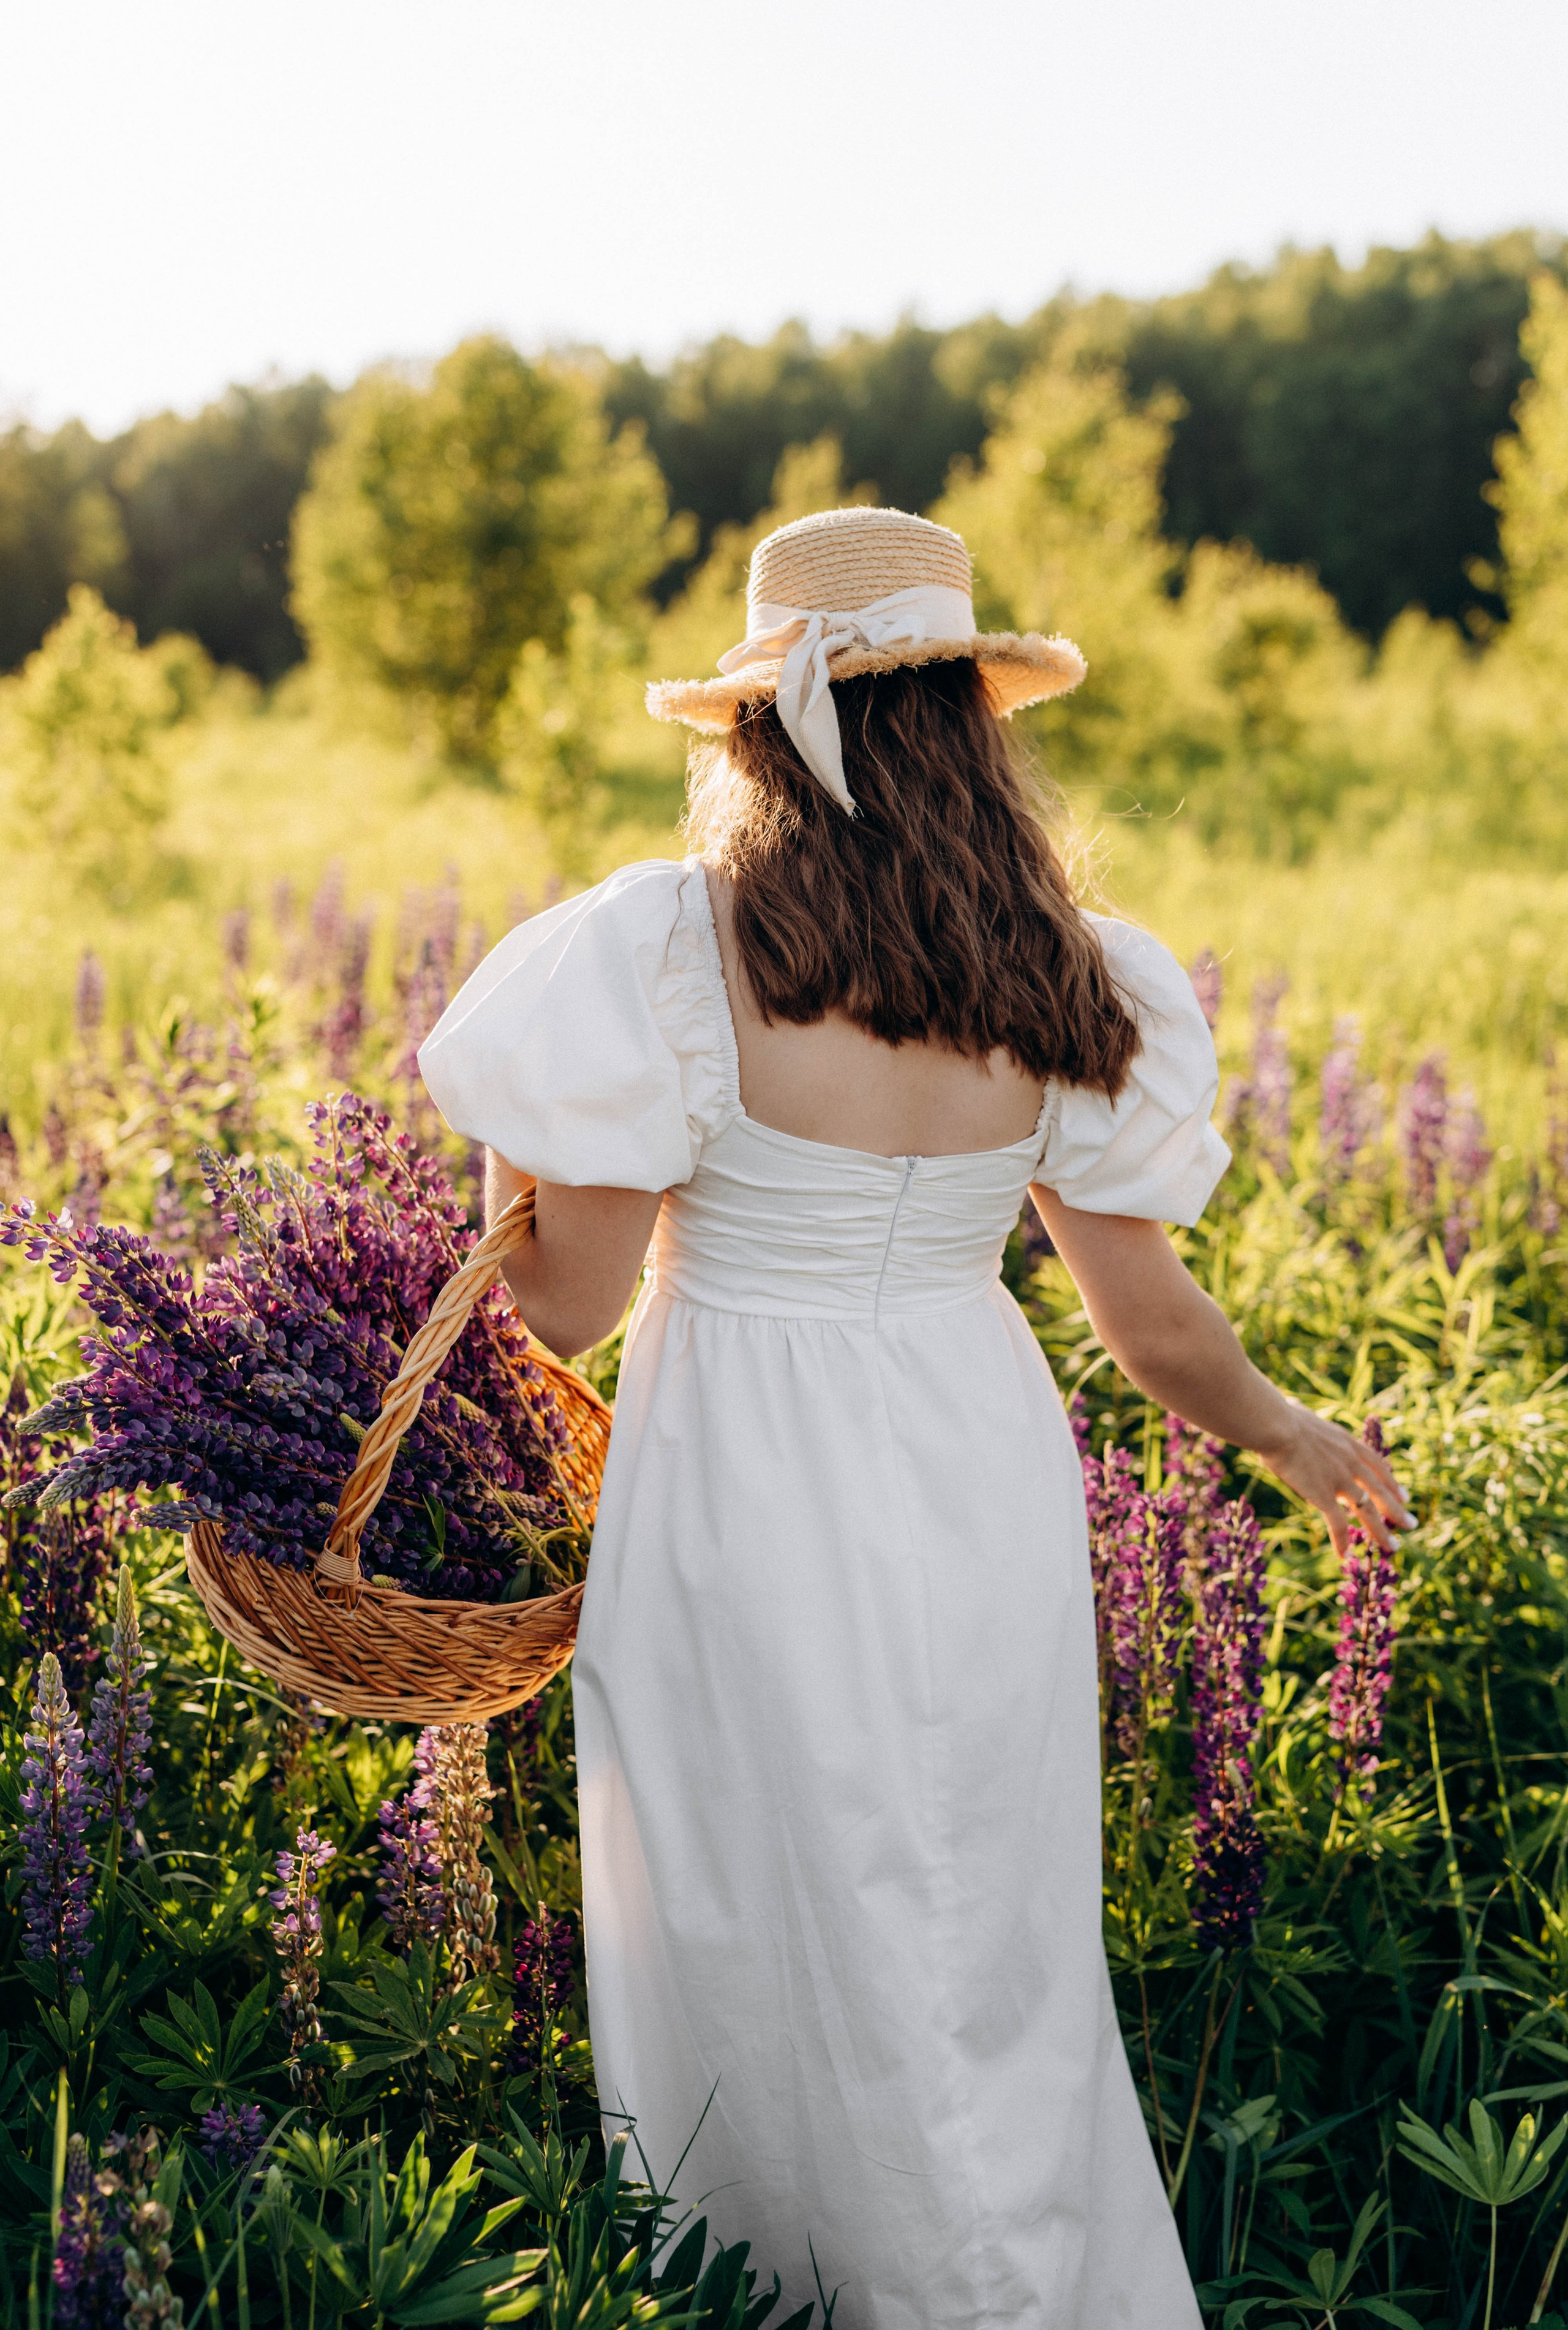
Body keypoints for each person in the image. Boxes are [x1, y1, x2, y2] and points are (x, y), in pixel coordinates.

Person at [419, 506, 1409, 2328]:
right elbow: (1150, 1323)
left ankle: (796, 2283)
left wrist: (524, 1142)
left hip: (739, 1469)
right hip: (973, 1455)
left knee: (752, 1898)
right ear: (973, 727)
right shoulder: (1066, 968)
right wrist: (1290, 1434)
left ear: (752, 733)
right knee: (974, 1906)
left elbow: (560, 1306)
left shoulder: (670, 953)